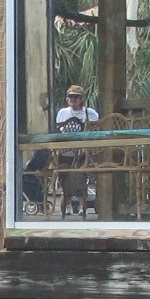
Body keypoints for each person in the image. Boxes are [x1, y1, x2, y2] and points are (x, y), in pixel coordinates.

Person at [55, 85, 98, 216]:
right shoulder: (62, 113)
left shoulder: (90, 113)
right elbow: (59, 131)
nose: (73, 99)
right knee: (65, 176)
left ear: (81, 99)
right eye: (71, 97)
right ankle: (67, 205)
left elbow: (95, 129)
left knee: (80, 177)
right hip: (66, 150)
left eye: (76, 97)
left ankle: (81, 205)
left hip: (82, 151)